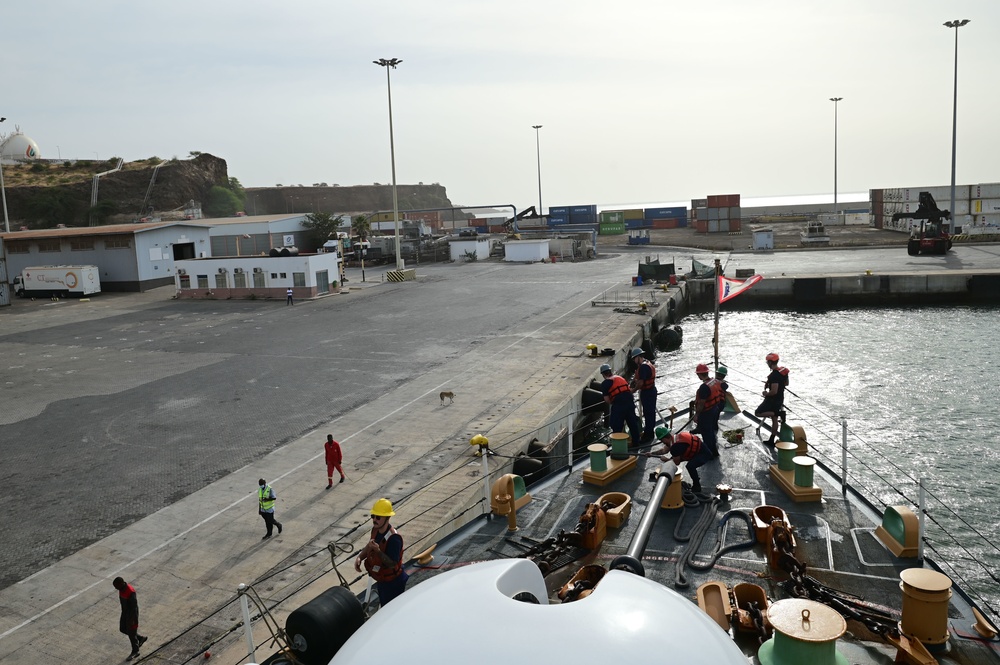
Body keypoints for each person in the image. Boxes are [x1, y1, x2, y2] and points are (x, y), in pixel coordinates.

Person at [355, 498, 409, 606]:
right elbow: (370, 545)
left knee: (391, 609)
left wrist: (378, 551)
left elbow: (392, 563)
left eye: (378, 517)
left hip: (393, 583)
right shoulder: (376, 530)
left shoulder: (394, 539)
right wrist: (360, 557)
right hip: (382, 580)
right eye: (373, 516)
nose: (374, 519)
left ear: (387, 518)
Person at [649, 426, 713, 494]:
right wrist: (651, 453)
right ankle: (661, 473)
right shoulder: (674, 438)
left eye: (661, 440)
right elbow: (664, 450)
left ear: (664, 439)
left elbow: (676, 463)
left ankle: (697, 486)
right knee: (672, 459)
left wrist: (666, 459)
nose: (662, 442)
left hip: (703, 454)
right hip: (697, 450)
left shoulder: (675, 447)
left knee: (690, 466)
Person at [599, 363, 641, 447]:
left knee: (616, 424)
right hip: (629, 401)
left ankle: (618, 446)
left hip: (619, 404)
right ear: (610, 371)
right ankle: (636, 443)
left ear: (603, 374)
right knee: (632, 423)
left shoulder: (605, 383)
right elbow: (628, 390)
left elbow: (607, 400)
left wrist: (613, 402)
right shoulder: (620, 378)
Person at [755, 352, 789, 445]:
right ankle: (771, 440)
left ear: (770, 362)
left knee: (758, 413)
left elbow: (774, 391)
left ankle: (777, 413)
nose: (767, 364)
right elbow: (786, 383)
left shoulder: (774, 375)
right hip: (780, 399)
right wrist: (769, 382)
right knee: (774, 420)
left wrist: (766, 393)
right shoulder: (783, 371)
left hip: (772, 400)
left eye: (767, 362)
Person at [112, 577, 148, 661]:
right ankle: (140, 638)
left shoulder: (130, 591)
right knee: (123, 628)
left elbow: (134, 606)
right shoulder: (121, 589)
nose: (115, 588)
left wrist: (132, 619)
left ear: (121, 583)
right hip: (125, 613)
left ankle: (135, 651)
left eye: (116, 586)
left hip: (132, 615)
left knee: (131, 632)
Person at [693, 363, 724, 456]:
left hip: (706, 412)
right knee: (710, 431)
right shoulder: (714, 381)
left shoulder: (704, 387)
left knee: (706, 433)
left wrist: (696, 415)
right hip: (714, 408)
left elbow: (702, 403)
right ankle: (714, 450)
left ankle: (709, 453)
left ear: (699, 374)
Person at [628, 348, 657, 443]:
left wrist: (633, 391)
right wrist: (630, 385)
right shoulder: (646, 364)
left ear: (638, 357)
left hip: (648, 392)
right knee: (649, 413)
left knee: (649, 414)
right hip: (649, 391)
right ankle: (648, 432)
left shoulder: (644, 367)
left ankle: (648, 435)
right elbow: (637, 378)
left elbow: (640, 383)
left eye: (634, 359)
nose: (633, 361)